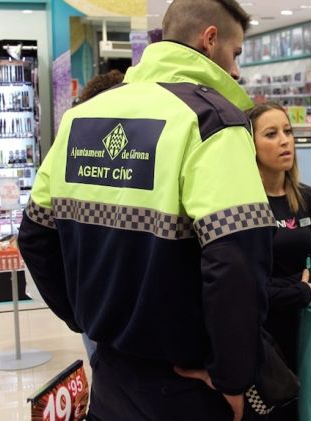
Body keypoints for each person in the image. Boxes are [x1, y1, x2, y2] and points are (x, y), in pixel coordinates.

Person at [17, 1, 276, 420]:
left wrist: (82, 318)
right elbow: (236, 261)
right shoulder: (212, 122)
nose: (237, 71)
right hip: (186, 384)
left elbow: (34, 235)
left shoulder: (82, 117)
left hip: (110, 373)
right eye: (237, 52)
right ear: (210, 41)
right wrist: (232, 378)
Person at [248, 101, 311, 421]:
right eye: (271, 134)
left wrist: (285, 288)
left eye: (287, 131)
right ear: (251, 147)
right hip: (261, 333)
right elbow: (251, 288)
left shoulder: (307, 197)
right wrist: (301, 286)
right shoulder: (245, 203)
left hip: (303, 329)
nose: (285, 140)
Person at [69, 69, 126, 361]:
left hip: (91, 303)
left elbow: (37, 237)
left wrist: (72, 311)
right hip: (121, 308)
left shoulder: (74, 155)